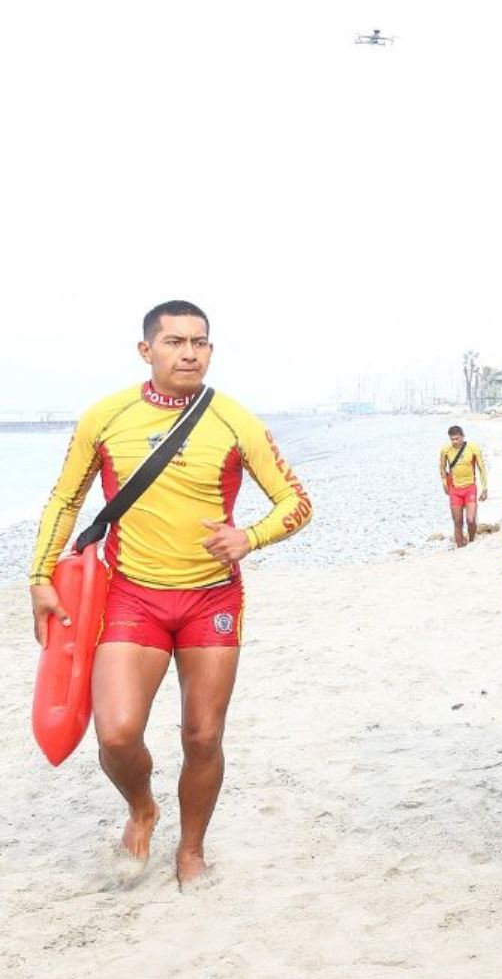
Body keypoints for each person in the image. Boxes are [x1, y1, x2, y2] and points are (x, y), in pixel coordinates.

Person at [28, 300, 312, 887]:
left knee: (203, 734)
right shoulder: (106, 418)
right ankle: (142, 806)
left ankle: (190, 849)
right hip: (132, 597)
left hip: (212, 600)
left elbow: (297, 503)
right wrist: (39, 578)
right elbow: (64, 501)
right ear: (146, 350)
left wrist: (249, 536)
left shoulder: (235, 421)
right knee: (117, 733)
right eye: (175, 341)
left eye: (200, 342)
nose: (189, 352)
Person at [439, 425, 487, 547]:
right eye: (452, 439)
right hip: (455, 490)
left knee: (470, 520)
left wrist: (484, 488)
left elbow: (482, 468)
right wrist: (444, 483)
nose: (454, 441)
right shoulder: (446, 450)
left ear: (462, 436)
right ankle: (460, 547)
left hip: (470, 487)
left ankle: (471, 541)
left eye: (457, 438)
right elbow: (442, 468)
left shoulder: (472, 448)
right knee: (457, 521)